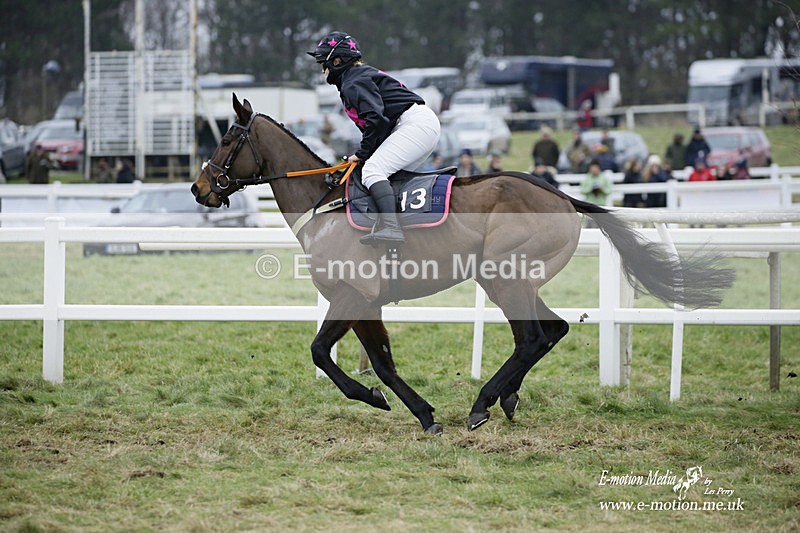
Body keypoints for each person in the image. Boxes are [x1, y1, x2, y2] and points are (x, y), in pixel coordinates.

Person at [307, 31, 441, 245]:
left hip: (414, 124)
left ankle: (392, 228)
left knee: (372, 171)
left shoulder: (353, 82)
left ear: (337, 61)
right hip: (417, 124)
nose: (323, 70)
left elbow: (376, 119)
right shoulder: (355, 78)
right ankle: (404, 229)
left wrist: (361, 154)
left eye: (324, 63)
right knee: (385, 174)